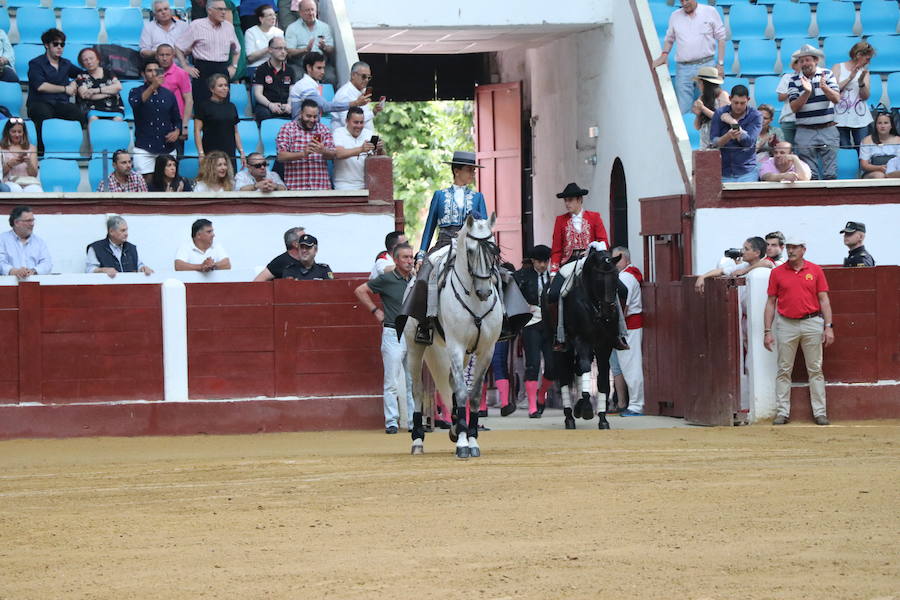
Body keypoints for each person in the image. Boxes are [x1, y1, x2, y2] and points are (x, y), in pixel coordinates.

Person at [401, 151, 487, 345]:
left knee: (495, 272)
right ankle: (424, 323)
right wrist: (421, 254)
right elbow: (429, 226)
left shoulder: (478, 197)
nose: (473, 174)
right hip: (444, 244)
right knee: (425, 276)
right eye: (469, 170)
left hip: (470, 245)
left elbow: (482, 226)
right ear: (457, 171)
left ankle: (501, 319)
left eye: (473, 170)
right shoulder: (440, 196)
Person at [763, 237, 834, 426]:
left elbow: (824, 300)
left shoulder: (815, 270)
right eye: (789, 247)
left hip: (812, 322)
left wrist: (828, 327)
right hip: (786, 324)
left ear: (804, 249)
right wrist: (767, 331)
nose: (791, 251)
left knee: (815, 369)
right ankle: (782, 412)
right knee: (784, 369)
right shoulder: (777, 273)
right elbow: (771, 303)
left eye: (795, 248)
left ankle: (820, 412)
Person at [354, 242, 415, 434]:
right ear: (396, 260)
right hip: (392, 331)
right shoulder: (387, 279)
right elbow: (360, 290)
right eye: (405, 257)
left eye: (411, 257)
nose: (409, 261)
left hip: (412, 333)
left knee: (412, 380)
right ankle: (391, 421)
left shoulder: (416, 280)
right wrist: (375, 311)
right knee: (392, 380)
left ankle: (414, 421)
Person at [651, 0, 727, 115]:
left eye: (687, 0)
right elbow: (669, 39)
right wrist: (664, 55)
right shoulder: (675, 16)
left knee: (710, 106)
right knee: (684, 108)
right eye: (681, 0)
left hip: (706, 64)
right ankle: (687, 132)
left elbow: (721, 38)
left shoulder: (710, 11)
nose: (684, 3)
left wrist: (720, 64)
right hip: (683, 67)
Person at [513, 244, 556, 418]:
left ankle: (540, 394)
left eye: (546, 261)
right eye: (539, 262)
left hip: (550, 324)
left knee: (552, 366)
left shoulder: (553, 276)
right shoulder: (522, 275)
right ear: (533, 261)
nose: (543, 265)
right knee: (533, 363)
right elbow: (512, 294)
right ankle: (532, 405)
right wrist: (523, 306)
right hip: (531, 324)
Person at [26, 29, 85, 156]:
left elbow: (81, 74)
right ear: (46, 45)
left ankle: (70, 149)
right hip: (39, 102)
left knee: (78, 114)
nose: (59, 47)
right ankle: (42, 152)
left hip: (60, 103)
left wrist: (74, 83)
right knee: (43, 115)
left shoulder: (66, 63)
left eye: (62, 44)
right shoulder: (36, 63)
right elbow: (41, 86)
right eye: (55, 44)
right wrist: (65, 89)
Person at [789, 45, 841, 180]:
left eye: (807, 60)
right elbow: (794, 107)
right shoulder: (793, 79)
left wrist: (824, 87)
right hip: (805, 130)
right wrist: (806, 92)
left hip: (827, 127)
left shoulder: (827, 74)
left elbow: (836, 99)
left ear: (816, 60)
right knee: (809, 174)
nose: (805, 63)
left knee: (831, 172)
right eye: (801, 61)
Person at [176, 0, 240, 104]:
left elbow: (237, 49)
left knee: (222, 106)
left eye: (224, 9)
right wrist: (185, 66)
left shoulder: (229, 27)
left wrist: (234, 66)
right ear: (209, 10)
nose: (224, 12)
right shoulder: (196, 25)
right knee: (202, 108)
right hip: (203, 70)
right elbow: (178, 46)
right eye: (220, 9)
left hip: (222, 70)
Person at [130, 59, 182, 177]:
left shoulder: (169, 94)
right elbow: (136, 103)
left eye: (156, 70)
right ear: (143, 74)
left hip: (167, 146)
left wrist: (177, 131)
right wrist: (153, 86)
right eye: (149, 71)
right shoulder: (135, 91)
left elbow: (177, 119)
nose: (153, 73)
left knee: (167, 181)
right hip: (144, 146)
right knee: (146, 182)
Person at [611, 246, 645, 417]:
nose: (614, 263)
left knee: (631, 367)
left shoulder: (626, 277)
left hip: (628, 326)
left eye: (617, 259)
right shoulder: (628, 275)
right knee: (624, 367)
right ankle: (632, 403)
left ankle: (637, 405)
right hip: (628, 326)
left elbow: (623, 306)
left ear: (625, 258)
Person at [288, 52, 369, 121]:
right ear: (309, 67)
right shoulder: (304, 85)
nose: (323, 72)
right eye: (319, 68)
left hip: (312, 129)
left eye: (323, 68)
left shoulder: (311, 84)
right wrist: (355, 103)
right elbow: (325, 106)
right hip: (300, 132)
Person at [276, 97, 335, 191]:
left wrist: (323, 151)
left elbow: (333, 155)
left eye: (315, 116)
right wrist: (303, 154)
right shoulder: (288, 129)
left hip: (321, 187)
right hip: (296, 188)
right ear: (300, 114)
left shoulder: (324, 130)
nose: (312, 120)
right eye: (308, 116)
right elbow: (281, 156)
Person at [709, 85, 762, 183]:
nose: (738, 106)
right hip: (724, 172)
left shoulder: (756, 115)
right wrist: (728, 136)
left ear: (748, 100)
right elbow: (714, 143)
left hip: (747, 172)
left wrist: (733, 123)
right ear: (730, 99)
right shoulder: (719, 113)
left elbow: (748, 142)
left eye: (742, 103)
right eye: (735, 102)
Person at [832, 41, 875, 151]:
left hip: (860, 117)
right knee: (844, 150)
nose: (868, 62)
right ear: (859, 55)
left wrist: (861, 82)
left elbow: (865, 96)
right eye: (867, 59)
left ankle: (862, 169)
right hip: (839, 117)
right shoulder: (838, 67)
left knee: (862, 150)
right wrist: (850, 78)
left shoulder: (865, 72)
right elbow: (833, 90)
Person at [195, 73, 244, 169]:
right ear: (212, 89)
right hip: (211, 150)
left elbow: (235, 132)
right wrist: (201, 153)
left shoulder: (231, 106)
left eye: (226, 85)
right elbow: (197, 131)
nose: (225, 88)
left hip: (229, 150)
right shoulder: (203, 106)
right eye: (220, 86)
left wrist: (241, 151)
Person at [85, 215, 154, 278]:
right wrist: (103, 270)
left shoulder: (131, 248)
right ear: (111, 231)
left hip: (130, 289)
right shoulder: (96, 248)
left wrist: (143, 268)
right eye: (123, 230)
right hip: (107, 289)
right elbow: (89, 270)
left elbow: (138, 265)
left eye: (126, 230)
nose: (126, 234)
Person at [695, 236, 770, 292]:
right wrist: (703, 277)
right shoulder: (744, 265)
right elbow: (721, 271)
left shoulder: (765, 265)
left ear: (757, 253)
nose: (742, 252)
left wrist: (744, 271)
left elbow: (767, 263)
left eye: (746, 249)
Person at [284, 0, 335, 83]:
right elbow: (289, 52)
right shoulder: (292, 28)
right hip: (300, 64)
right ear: (300, 12)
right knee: (297, 77)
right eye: (307, 10)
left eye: (312, 10)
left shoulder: (325, 27)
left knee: (330, 77)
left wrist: (324, 47)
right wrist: (305, 50)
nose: (310, 13)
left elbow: (331, 49)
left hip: (321, 63)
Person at [333, 106, 380, 190]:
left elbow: (378, 160)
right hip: (343, 186)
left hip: (366, 185)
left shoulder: (369, 133)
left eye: (361, 122)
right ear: (347, 121)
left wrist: (380, 149)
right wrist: (361, 149)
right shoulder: (339, 132)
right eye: (356, 122)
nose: (359, 126)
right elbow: (338, 153)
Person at [0, 206, 51, 278]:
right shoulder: (2, 239)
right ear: (16, 222)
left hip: (34, 285)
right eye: (28, 221)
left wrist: (33, 271)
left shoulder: (39, 242)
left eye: (33, 220)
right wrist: (14, 271)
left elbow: (47, 264)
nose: (32, 224)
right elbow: (1, 262)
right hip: (8, 286)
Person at [75, 48, 124, 122]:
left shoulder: (109, 72)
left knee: (117, 121)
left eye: (91, 58)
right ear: (82, 63)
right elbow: (85, 95)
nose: (89, 62)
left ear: (98, 59)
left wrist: (95, 90)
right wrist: (109, 93)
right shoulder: (81, 76)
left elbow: (118, 87)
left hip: (114, 107)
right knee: (93, 119)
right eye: (85, 60)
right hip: (93, 108)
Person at [252, 37, 294, 122]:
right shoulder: (261, 69)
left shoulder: (290, 70)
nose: (283, 52)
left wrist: (289, 105)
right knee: (263, 114)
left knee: (300, 112)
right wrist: (270, 105)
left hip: (285, 105)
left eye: (285, 49)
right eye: (279, 48)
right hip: (267, 105)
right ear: (270, 50)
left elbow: (292, 93)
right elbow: (258, 94)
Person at [331, 61, 382, 131]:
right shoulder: (344, 94)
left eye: (369, 77)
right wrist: (372, 113)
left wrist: (374, 111)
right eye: (364, 76)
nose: (366, 80)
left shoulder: (362, 91)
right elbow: (347, 123)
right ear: (353, 75)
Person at [157, 44, 193, 136]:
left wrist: (184, 126)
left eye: (167, 55)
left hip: (176, 122)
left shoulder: (181, 74)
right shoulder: (153, 73)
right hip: (157, 120)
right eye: (161, 55)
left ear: (173, 56)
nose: (164, 58)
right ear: (156, 56)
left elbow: (189, 100)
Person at [140, 0, 190, 65]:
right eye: (159, 10)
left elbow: (190, 49)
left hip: (180, 64)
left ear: (170, 11)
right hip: (157, 65)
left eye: (166, 9)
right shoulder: (148, 27)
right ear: (154, 14)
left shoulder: (183, 25)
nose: (163, 12)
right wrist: (160, 54)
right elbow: (143, 51)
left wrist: (173, 53)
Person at [690, 66, 729, 149]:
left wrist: (703, 108)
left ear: (704, 83)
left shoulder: (723, 95)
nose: (698, 86)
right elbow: (697, 127)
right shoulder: (701, 98)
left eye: (699, 83)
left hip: (720, 142)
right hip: (705, 144)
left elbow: (722, 118)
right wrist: (698, 115)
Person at [0, 119, 42, 193]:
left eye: (19, 132)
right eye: (13, 132)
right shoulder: (1, 148)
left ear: (23, 133)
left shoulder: (31, 148)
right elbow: (0, 174)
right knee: (16, 189)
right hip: (9, 182)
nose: (17, 135)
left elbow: (34, 174)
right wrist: (10, 164)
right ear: (8, 132)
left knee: (36, 190)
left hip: (28, 182)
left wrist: (28, 163)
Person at [244, 5, 283, 80]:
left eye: (274, 14)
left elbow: (282, 54)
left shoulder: (279, 32)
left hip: (275, 67)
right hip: (256, 67)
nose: (274, 17)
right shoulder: (250, 32)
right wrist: (269, 48)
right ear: (261, 19)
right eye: (270, 15)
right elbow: (250, 58)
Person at [858, 113, 900, 179]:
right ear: (876, 126)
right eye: (879, 123)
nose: (882, 126)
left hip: (894, 170)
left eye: (886, 123)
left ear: (891, 125)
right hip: (873, 172)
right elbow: (864, 165)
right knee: (880, 175)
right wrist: (879, 168)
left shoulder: (898, 140)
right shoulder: (867, 140)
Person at [777, 52, 801, 145]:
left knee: (803, 152)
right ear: (794, 65)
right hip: (788, 118)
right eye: (799, 62)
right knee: (786, 150)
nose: (802, 64)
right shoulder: (787, 77)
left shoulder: (811, 77)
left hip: (805, 121)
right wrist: (793, 90)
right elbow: (780, 97)